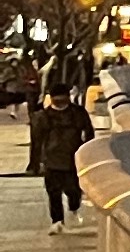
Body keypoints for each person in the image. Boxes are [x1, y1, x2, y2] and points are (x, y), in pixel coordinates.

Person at [28, 71, 87, 222]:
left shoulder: (78, 113)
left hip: (73, 159)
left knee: (73, 190)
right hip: (51, 160)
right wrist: (35, 163)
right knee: (53, 193)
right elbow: (36, 141)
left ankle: (73, 207)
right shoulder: (42, 117)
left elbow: (88, 134)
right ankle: (57, 221)